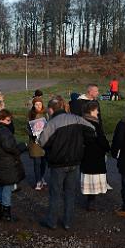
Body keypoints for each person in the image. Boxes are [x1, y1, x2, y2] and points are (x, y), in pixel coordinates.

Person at [37, 96, 95, 230]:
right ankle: (68, 222)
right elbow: (92, 130)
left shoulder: (52, 123)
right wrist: (82, 144)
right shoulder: (76, 119)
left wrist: (52, 147)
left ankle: (52, 222)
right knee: (70, 193)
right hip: (75, 161)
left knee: (55, 194)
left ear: (51, 109)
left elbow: (42, 142)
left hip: (58, 163)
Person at [0, 109, 27, 221]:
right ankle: (6, 213)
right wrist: (22, 146)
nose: (10, 123)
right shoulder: (4, 131)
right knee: (7, 187)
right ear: (1, 119)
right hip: (7, 163)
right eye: (8, 120)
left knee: (1, 185)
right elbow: (10, 147)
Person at [80, 101, 111, 211]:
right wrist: (108, 148)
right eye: (96, 110)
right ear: (91, 111)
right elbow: (101, 139)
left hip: (86, 154)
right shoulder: (95, 124)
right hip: (95, 154)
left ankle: (90, 199)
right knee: (94, 177)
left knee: (88, 176)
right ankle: (91, 201)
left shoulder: (82, 122)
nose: (98, 112)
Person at [27, 96, 48, 190]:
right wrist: (32, 133)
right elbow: (27, 127)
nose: (38, 106)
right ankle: (38, 181)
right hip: (35, 142)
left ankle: (41, 176)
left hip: (44, 141)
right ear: (33, 105)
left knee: (44, 162)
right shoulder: (30, 114)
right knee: (37, 162)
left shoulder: (46, 113)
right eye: (36, 104)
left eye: (40, 104)